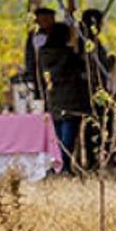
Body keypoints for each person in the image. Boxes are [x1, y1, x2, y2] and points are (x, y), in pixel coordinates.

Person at [39, 23, 90, 173]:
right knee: (67, 138)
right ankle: (64, 165)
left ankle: (57, 165)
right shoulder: (68, 56)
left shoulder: (42, 55)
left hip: (53, 100)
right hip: (71, 101)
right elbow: (81, 68)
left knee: (57, 136)